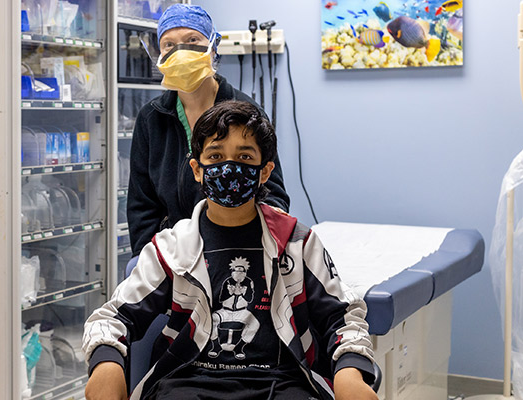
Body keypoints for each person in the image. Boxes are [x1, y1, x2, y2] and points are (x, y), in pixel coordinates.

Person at [83, 100, 377, 400]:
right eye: (216, 155)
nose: (229, 167)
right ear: (197, 169)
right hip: (187, 382)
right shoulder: (172, 248)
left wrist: (350, 371)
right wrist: (106, 365)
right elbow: (112, 318)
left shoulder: (296, 242)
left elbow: (342, 316)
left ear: (265, 172)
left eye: (245, 156)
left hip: (281, 383)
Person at [127, 4, 290, 258]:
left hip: (235, 250)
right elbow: (141, 204)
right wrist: (147, 260)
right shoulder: (151, 119)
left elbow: (274, 197)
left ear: (213, 46)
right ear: (160, 54)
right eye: (169, 44)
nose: (179, 51)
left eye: (192, 40)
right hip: (173, 252)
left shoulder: (246, 113)